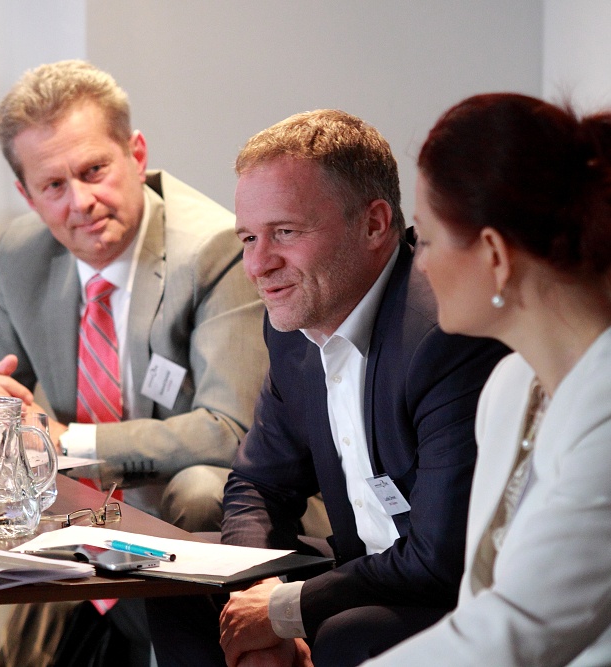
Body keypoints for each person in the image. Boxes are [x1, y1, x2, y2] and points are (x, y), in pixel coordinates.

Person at [148, 109, 509, 667]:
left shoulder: (444, 334)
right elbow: (259, 484)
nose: (257, 265)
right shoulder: (294, 323)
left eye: (285, 233)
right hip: (360, 566)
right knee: (178, 587)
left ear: (374, 225)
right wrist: (254, 599)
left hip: (447, 593)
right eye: (249, 237)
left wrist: (284, 610)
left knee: (347, 633)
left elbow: (439, 559)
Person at [0, 59, 266, 667]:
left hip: (175, 514)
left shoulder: (215, 249)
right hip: (74, 522)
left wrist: (60, 439)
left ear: (136, 154)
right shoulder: (24, 252)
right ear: (27, 195)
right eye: (53, 186)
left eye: (94, 171)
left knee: (199, 487)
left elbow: (229, 430)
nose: (81, 202)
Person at [360, 95, 611, 666]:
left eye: (425, 238)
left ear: (495, 253)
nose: (419, 262)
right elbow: (482, 605)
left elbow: (517, 629)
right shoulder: (508, 385)